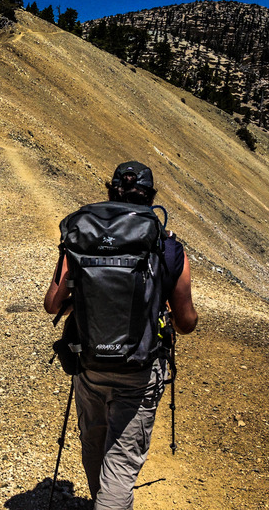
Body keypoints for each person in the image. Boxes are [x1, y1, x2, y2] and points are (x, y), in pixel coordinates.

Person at [44, 161, 198, 509]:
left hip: (89, 364)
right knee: (121, 464)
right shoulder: (168, 247)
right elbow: (187, 322)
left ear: (111, 192)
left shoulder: (81, 237)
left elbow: (53, 304)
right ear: (150, 197)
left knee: (95, 449)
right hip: (140, 371)